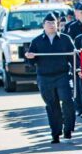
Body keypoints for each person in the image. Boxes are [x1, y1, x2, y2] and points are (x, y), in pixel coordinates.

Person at [25, 13, 76, 144]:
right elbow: (31, 62)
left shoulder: (65, 39)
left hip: (62, 75)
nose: (51, 25)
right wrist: (29, 57)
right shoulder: (36, 41)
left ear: (57, 24)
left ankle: (68, 128)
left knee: (68, 101)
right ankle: (55, 133)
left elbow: (74, 57)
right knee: (52, 106)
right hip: (45, 77)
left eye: (54, 23)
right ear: (43, 25)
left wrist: (78, 69)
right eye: (48, 23)